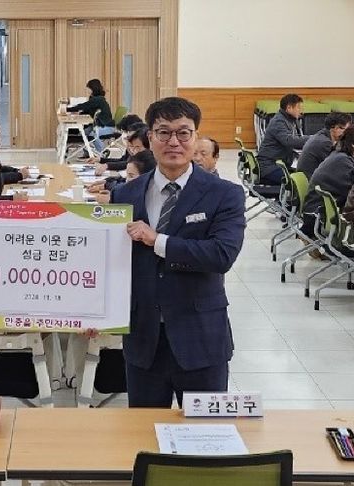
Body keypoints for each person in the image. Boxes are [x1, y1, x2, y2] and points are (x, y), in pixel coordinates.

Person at [111, 97, 246, 408]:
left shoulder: (225, 194)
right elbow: (113, 262)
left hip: (200, 338)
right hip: (143, 340)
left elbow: (221, 255)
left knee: (206, 432)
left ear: (195, 137)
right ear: (150, 138)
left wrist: (158, 241)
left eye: (183, 133)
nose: (174, 142)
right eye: (163, 132)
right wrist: (98, 312)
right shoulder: (125, 194)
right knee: (142, 430)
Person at [300, 126, 354, 242]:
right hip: (318, 218)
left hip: (316, 214)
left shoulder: (339, 155)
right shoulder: (344, 162)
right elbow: (350, 195)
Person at [256, 93, 310, 184]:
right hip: (269, 167)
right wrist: (312, 139)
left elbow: (295, 140)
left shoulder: (288, 120)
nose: (301, 111)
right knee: (301, 182)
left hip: (277, 165)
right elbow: (289, 141)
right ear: (289, 108)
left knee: (305, 176)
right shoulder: (279, 121)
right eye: (298, 108)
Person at [296, 112, 351, 180]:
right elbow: (338, 167)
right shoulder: (324, 143)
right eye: (345, 129)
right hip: (313, 182)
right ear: (335, 128)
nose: (347, 133)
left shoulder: (321, 135)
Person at [66, 79, 115, 152]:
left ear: (93, 88)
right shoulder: (94, 99)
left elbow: (84, 106)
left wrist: (67, 109)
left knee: (92, 134)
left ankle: (101, 153)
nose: (87, 90)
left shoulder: (98, 99)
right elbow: (88, 110)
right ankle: (88, 153)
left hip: (106, 127)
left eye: (88, 88)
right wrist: (78, 113)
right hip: (98, 125)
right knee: (83, 133)